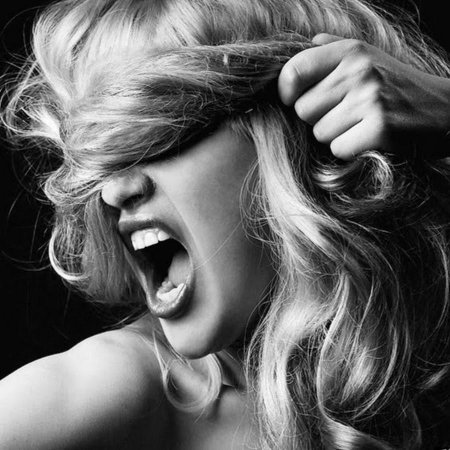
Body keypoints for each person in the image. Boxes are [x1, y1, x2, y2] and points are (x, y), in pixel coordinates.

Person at [1, 0, 449, 448]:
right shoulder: (123, 383)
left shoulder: (423, 362)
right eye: (106, 157)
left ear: (297, 135)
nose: (115, 192)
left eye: (162, 131)